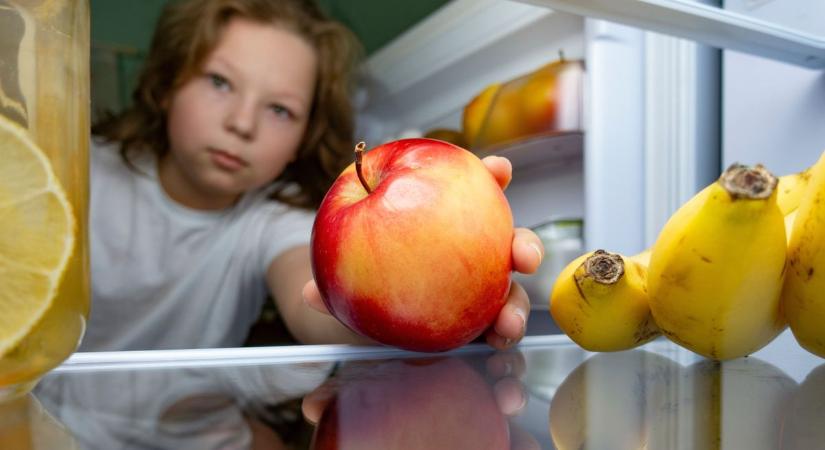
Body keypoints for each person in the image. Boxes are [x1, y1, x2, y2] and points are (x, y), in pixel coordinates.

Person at [83, 0, 543, 353]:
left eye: (280, 109)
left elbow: (319, 304)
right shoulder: (84, 173)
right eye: (220, 82)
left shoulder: (268, 219)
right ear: (167, 85)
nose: (242, 123)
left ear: (302, 139)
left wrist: (454, 297)